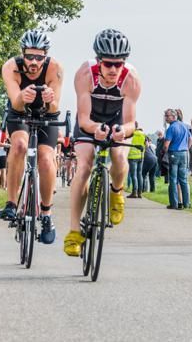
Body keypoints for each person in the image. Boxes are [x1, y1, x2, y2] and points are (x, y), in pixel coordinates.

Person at [64, 29, 141, 257]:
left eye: (119, 64)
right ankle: (74, 232)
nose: (114, 70)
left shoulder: (131, 80)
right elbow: (84, 119)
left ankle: (117, 192)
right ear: (99, 61)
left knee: (118, 157)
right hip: (90, 121)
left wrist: (121, 131)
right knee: (85, 166)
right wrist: (96, 129)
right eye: (108, 64)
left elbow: (131, 123)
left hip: (117, 120)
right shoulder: (85, 75)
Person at [0, 30, 64, 245]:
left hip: (47, 114)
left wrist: (50, 100)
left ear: (46, 56)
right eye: (29, 56)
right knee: (18, 146)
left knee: (45, 158)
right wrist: (21, 98)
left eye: (39, 57)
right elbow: (15, 103)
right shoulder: (10, 67)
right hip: (20, 112)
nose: (34, 62)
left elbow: (55, 107)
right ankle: (11, 203)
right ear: (22, 53)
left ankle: (46, 214)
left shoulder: (55, 68)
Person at [163, 109, 191, 210]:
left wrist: (163, 152)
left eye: (167, 116)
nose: (166, 118)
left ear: (174, 116)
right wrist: (186, 148)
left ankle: (174, 204)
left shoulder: (171, 128)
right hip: (184, 153)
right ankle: (187, 204)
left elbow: (166, 145)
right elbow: (190, 140)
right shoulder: (185, 126)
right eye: (165, 116)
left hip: (174, 153)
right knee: (183, 180)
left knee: (173, 180)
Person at [127, 125, 146, 198]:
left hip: (132, 156)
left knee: (133, 175)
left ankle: (134, 192)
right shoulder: (143, 134)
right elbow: (146, 144)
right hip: (141, 156)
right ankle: (140, 193)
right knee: (139, 174)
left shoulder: (131, 134)